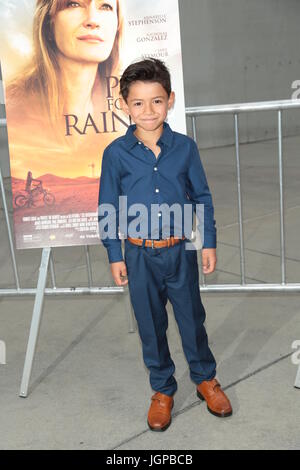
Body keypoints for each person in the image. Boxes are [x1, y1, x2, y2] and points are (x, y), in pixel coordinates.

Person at [98, 58, 232, 432]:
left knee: (192, 318)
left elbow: (202, 197)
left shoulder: (185, 148)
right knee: (150, 324)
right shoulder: (115, 154)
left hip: (180, 251)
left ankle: (206, 378)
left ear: (170, 100)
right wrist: (114, 254)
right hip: (138, 255)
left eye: (156, 101)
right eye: (138, 103)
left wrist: (207, 242)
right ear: (124, 105)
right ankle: (162, 390)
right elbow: (108, 206)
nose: (148, 110)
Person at [5, 0, 125, 180]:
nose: (92, 20)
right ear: (48, 23)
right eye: (74, 4)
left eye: (105, 6)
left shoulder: (131, 106)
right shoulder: (15, 106)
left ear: (117, 26)